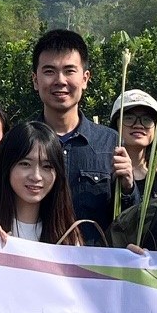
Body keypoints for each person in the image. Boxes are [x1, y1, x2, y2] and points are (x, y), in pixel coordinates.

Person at [29, 29, 120, 232]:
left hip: (93, 262)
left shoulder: (110, 143)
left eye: (69, 71)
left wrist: (129, 186)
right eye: (49, 71)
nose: (60, 80)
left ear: (85, 78)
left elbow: (128, 220)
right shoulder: (20, 141)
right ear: (35, 80)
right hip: (33, 260)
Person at [0, 122, 88, 245]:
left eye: (47, 166)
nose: (36, 176)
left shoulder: (68, 238)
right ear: (7, 166)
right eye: (25, 164)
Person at [110, 89, 157, 213]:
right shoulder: (101, 173)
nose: (138, 125)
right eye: (129, 118)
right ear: (115, 124)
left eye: (147, 119)